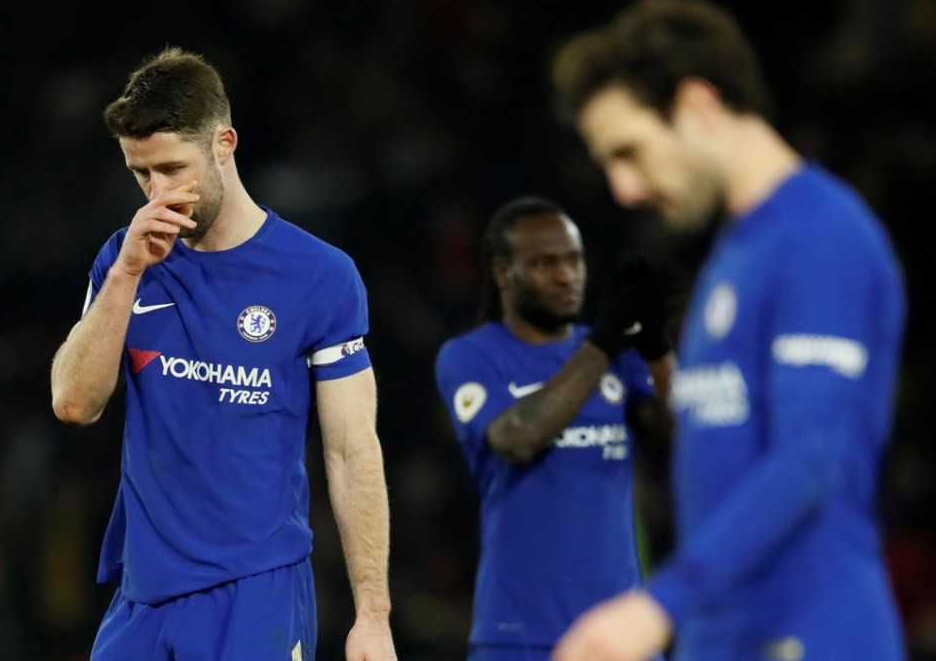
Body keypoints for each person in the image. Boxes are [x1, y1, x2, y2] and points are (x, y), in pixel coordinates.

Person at [550, 0, 907, 661]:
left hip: (812, 635)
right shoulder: (733, 259)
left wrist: (658, 604)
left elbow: (812, 457)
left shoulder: (821, 236)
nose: (624, 190)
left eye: (630, 151)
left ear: (698, 105)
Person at [50, 47, 397, 661]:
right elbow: (74, 403)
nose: (156, 192)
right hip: (144, 595)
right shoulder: (125, 260)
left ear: (223, 144)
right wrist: (127, 272)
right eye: (140, 173)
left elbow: (350, 450)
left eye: (170, 168)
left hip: (256, 593)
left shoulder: (320, 276)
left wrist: (373, 614)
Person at [433, 196, 674, 661]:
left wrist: (657, 348)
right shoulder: (471, 357)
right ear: (503, 273)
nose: (567, 276)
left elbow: (679, 434)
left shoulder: (612, 353)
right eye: (546, 263)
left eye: (574, 260)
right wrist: (604, 342)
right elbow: (518, 439)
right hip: (520, 634)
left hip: (622, 632)